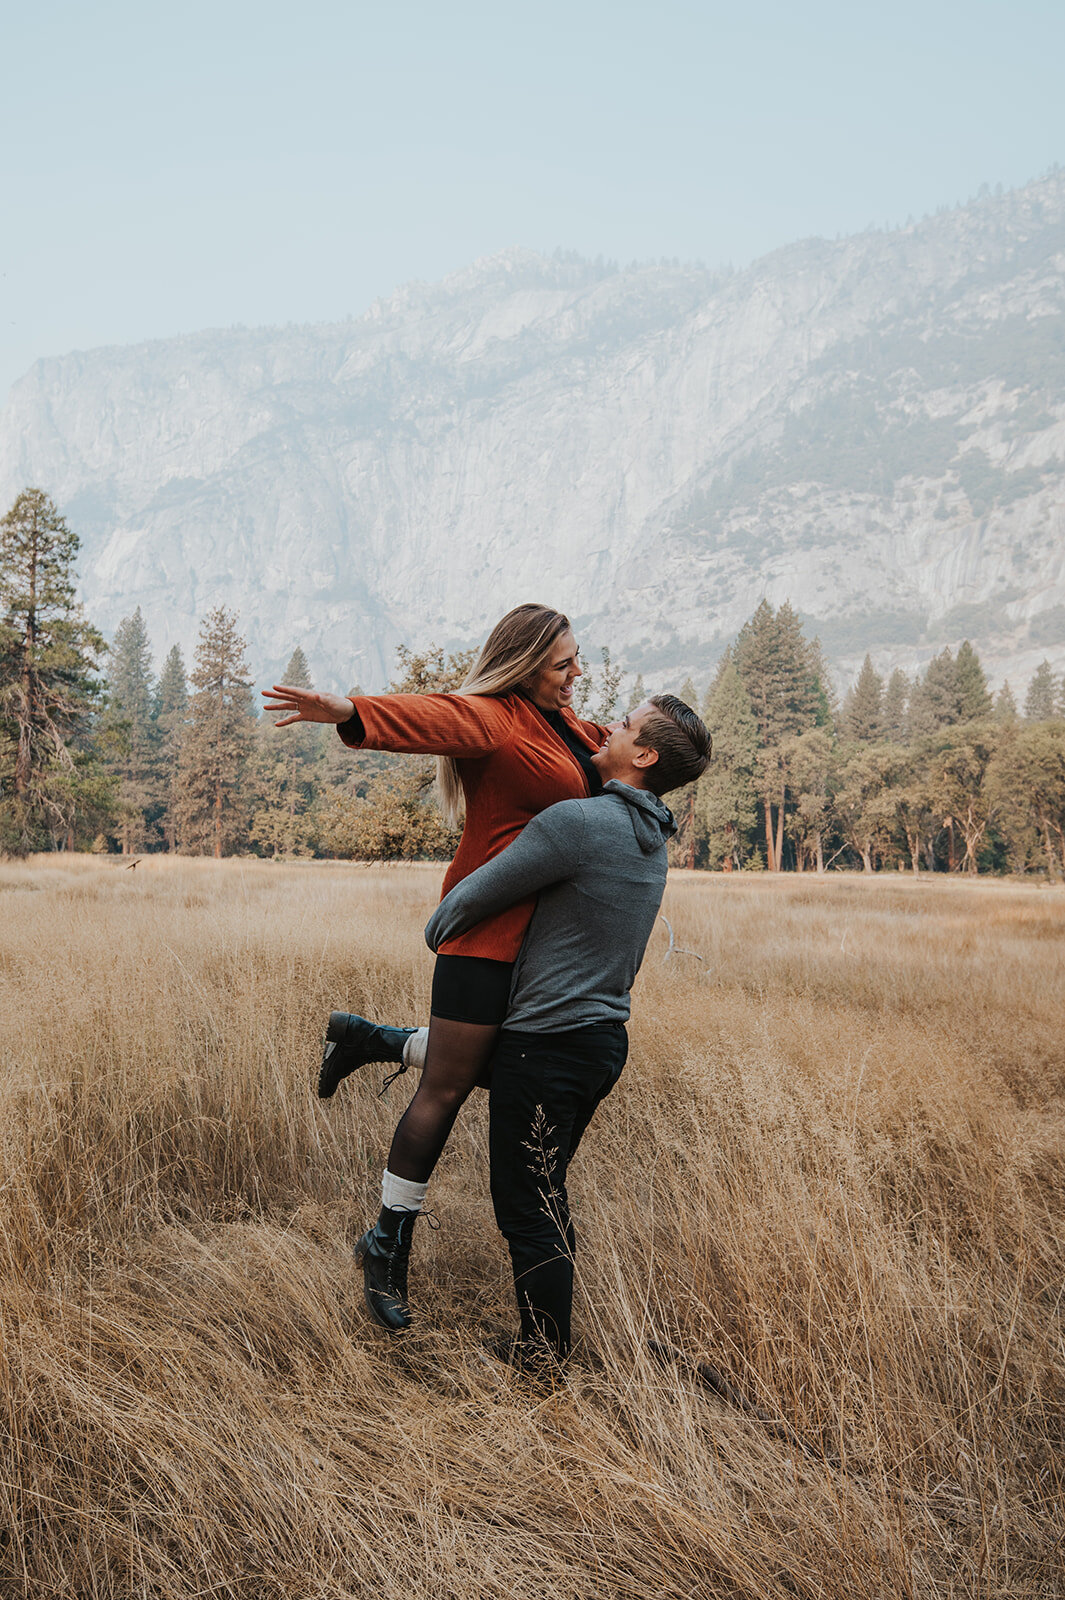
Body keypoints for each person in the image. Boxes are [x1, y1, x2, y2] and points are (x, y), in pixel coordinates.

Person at [261, 605, 611, 1325]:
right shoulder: (497, 718)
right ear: (522, 664)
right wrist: (351, 710)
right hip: (482, 940)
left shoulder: (572, 729)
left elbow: (630, 758)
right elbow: (435, 715)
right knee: (447, 1089)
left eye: (577, 659)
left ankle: (374, 1041)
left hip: (541, 953)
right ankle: (386, 1240)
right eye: (562, 663)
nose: (577, 674)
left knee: (507, 1072)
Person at [409, 693, 711, 1364]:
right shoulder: (650, 835)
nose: (609, 727)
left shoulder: (576, 823)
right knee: (545, 1195)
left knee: (528, 1209)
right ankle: (380, 1041)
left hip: (545, 1046)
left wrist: (445, 932)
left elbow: (455, 912)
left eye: (625, 725)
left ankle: (542, 1360)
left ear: (643, 756)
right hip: (599, 1045)